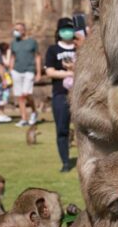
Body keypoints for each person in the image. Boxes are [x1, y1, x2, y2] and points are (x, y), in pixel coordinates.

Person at [44, 18, 76, 173]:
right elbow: (49, 72)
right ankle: (65, 161)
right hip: (60, 94)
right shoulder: (53, 50)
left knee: (86, 129)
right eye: (64, 29)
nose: (67, 32)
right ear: (58, 32)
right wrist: (70, 72)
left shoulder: (81, 47)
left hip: (80, 94)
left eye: (70, 29)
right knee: (62, 129)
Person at [9, 22, 41, 127]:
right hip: (16, 70)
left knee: (26, 94)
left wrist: (39, 72)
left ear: (24, 31)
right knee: (20, 96)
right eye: (15, 29)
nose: (16, 32)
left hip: (29, 70)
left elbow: (37, 57)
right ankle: (24, 118)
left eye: (18, 29)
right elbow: (12, 57)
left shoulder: (32, 42)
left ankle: (34, 111)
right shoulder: (14, 43)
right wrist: (10, 69)